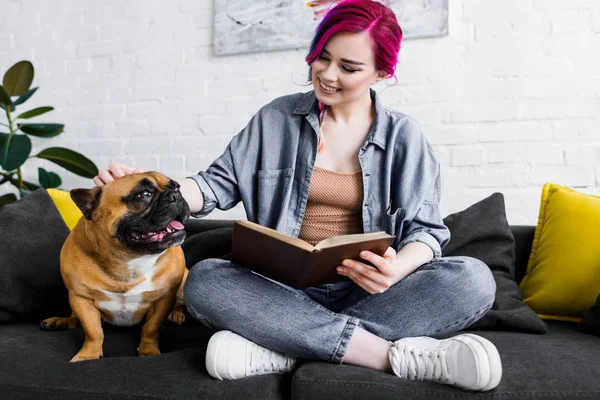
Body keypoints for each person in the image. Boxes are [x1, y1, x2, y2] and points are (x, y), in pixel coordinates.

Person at [94, 0, 502, 391]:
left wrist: (395, 269)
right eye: (323, 57)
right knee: (205, 280)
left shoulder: (404, 137)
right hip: (280, 291)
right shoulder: (274, 119)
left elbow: (427, 233)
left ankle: (283, 347)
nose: (328, 73)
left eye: (349, 67)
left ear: (381, 73)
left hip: (370, 292)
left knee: (473, 279)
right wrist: (145, 188)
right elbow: (211, 186)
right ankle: (384, 355)